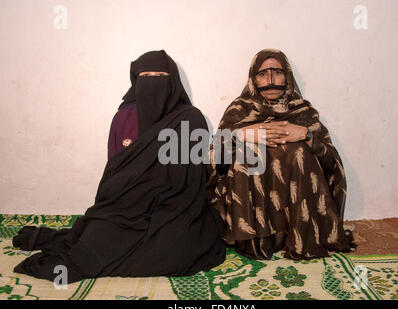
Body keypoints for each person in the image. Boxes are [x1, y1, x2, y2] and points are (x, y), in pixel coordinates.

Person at [12, 50, 226, 283]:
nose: (153, 82)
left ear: (172, 81)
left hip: (173, 210)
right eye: (146, 75)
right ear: (136, 81)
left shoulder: (190, 119)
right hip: (125, 208)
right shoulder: (123, 118)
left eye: (160, 75)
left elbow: (188, 182)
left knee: (180, 248)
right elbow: (116, 172)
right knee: (95, 242)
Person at [207, 49, 357, 260]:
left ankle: (297, 235)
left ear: (287, 76)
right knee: (245, 157)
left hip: (299, 215)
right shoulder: (239, 110)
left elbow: (332, 162)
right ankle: (256, 239)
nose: (270, 79)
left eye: (277, 72)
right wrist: (241, 135)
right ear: (253, 78)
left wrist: (306, 135)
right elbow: (213, 161)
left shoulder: (303, 112)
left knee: (299, 152)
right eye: (262, 73)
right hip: (251, 217)